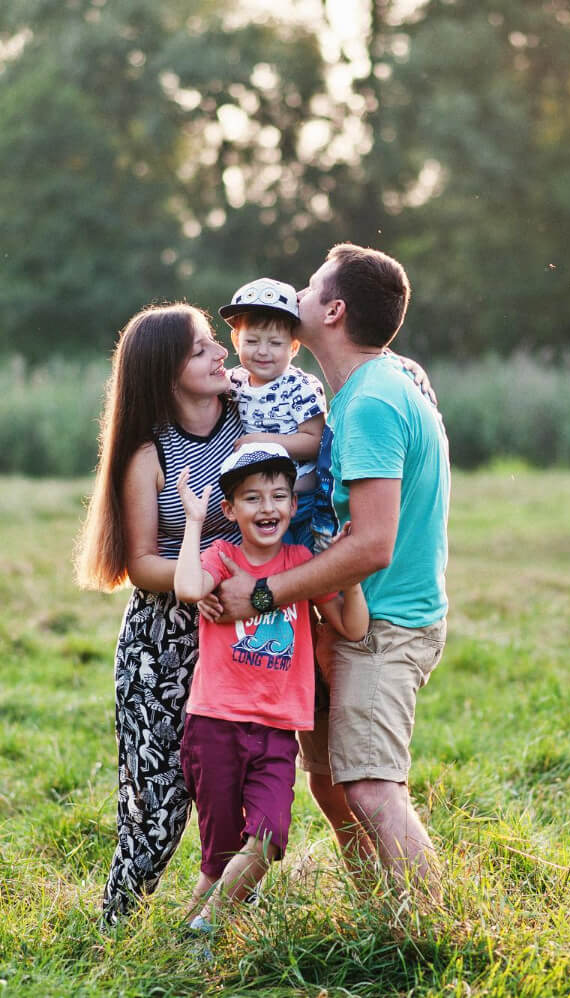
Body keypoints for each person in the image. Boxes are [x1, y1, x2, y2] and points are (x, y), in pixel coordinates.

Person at [212, 243, 451, 901]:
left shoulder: (372, 401)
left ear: (335, 311)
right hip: (340, 619)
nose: (299, 294)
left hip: (386, 622)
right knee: (328, 778)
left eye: (312, 287)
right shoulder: (360, 389)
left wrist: (261, 594)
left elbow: (373, 544)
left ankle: (438, 929)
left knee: (370, 785)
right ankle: (379, 912)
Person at [73, 302, 243, 925]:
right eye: (202, 350)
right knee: (158, 806)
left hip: (240, 638)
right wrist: (202, 582)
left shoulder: (249, 425)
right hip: (162, 645)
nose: (222, 352)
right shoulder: (150, 455)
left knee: (243, 796)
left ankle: (214, 929)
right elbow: (140, 562)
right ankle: (114, 931)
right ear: (166, 374)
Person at [172, 443, 367, 930]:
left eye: (279, 496)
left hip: (278, 731)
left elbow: (354, 627)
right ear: (230, 509)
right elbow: (188, 589)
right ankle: (191, 948)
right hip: (215, 724)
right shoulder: (221, 556)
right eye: (253, 498)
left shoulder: (301, 564)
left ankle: (205, 925)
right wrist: (193, 522)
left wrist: (352, 570)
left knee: (269, 836)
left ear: (293, 506)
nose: (268, 508)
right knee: (217, 860)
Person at [218, 278, 332, 551]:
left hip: (301, 500)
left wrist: (261, 443)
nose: (262, 351)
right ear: (236, 340)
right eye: (252, 341)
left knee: (304, 562)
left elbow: (315, 442)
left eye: (275, 343)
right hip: (259, 502)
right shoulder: (233, 382)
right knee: (268, 563)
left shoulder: (300, 386)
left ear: (293, 347)